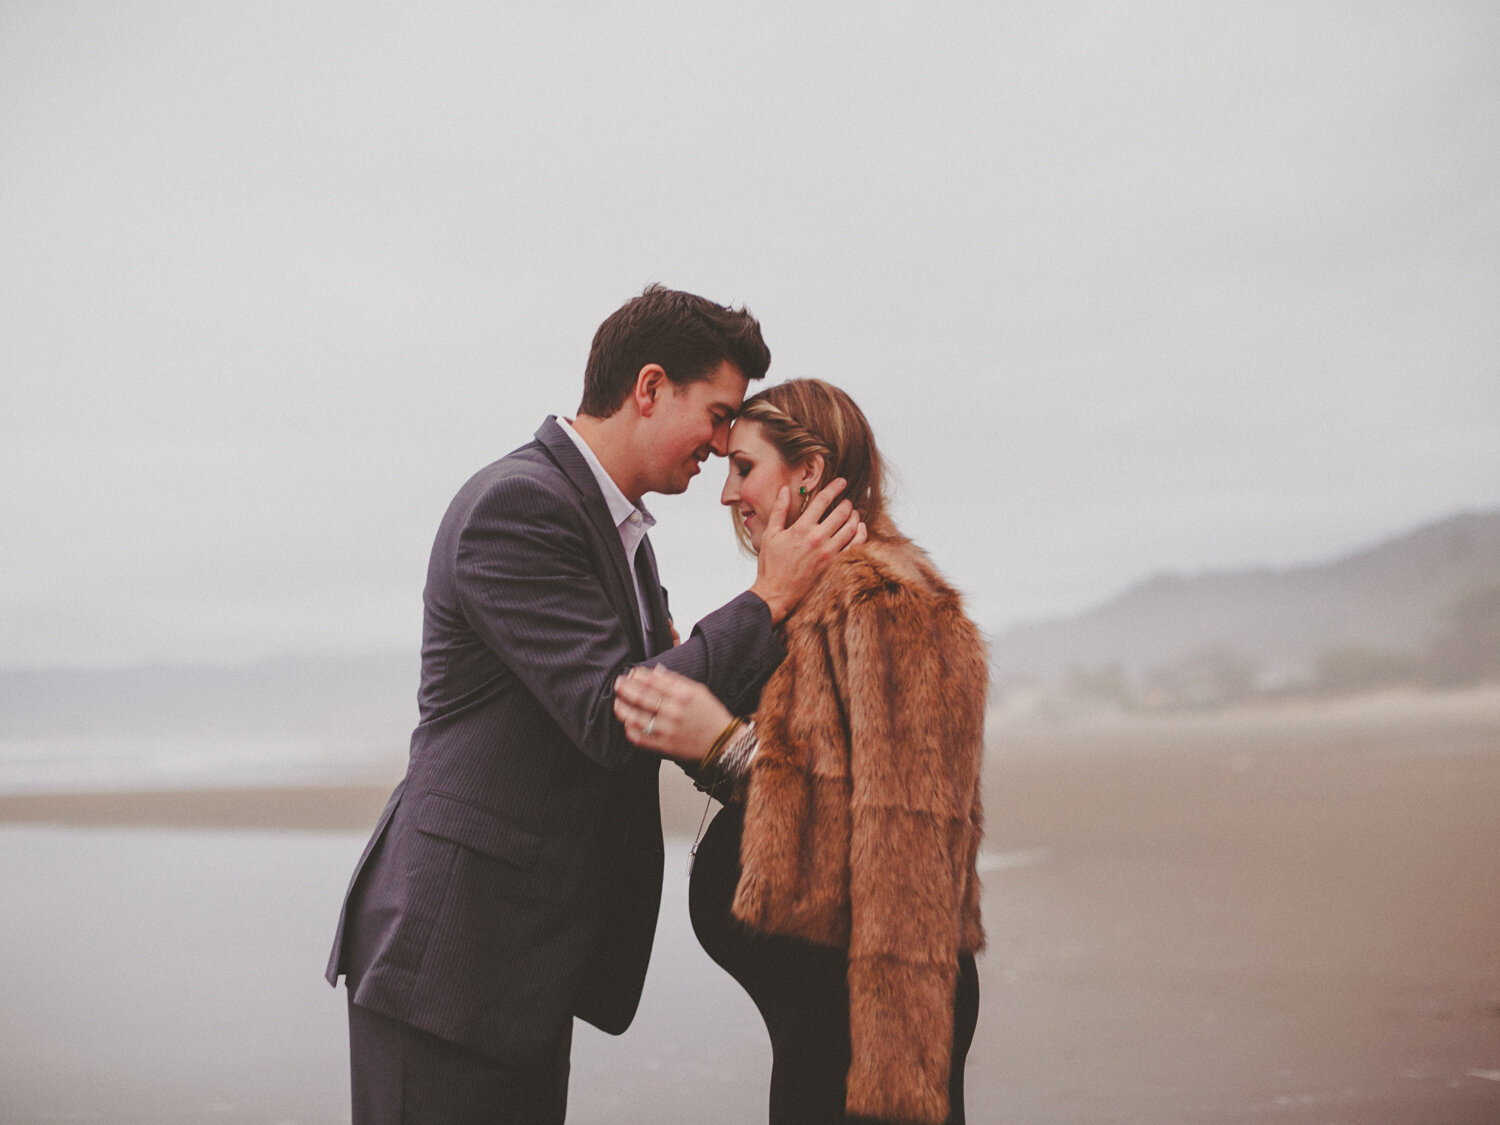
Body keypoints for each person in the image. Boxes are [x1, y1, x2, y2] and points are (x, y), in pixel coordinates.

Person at [325, 288, 866, 1124]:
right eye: (718, 415)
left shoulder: (620, 534)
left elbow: (667, 699)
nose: (722, 444)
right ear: (649, 388)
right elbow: (617, 716)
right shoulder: (517, 506)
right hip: (452, 969)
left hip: (521, 971)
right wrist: (768, 597)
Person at [614, 378, 988, 1125]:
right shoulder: (821, 599)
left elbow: (900, 841)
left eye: (744, 467)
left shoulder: (884, 601)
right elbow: (819, 775)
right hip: (824, 998)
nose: (726, 493)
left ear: (809, 470)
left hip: (871, 1006)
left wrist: (721, 745)